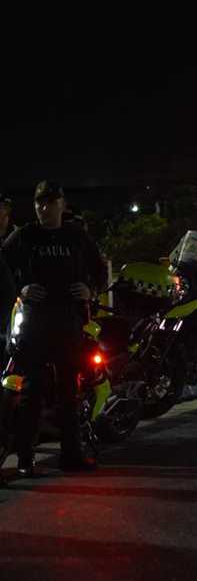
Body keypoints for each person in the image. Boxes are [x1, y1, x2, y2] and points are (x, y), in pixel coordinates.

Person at [1, 181, 107, 475]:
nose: (43, 208)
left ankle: (71, 455)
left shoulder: (76, 236)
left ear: (62, 204)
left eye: (49, 202)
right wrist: (20, 289)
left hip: (68, 323)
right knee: (31, 393)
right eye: (39, 202)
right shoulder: (24, 236)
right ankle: (25, 459)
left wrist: (90, 290)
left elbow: (100, 271)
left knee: (69, 391)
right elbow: (2, 268)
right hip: (34, 324)